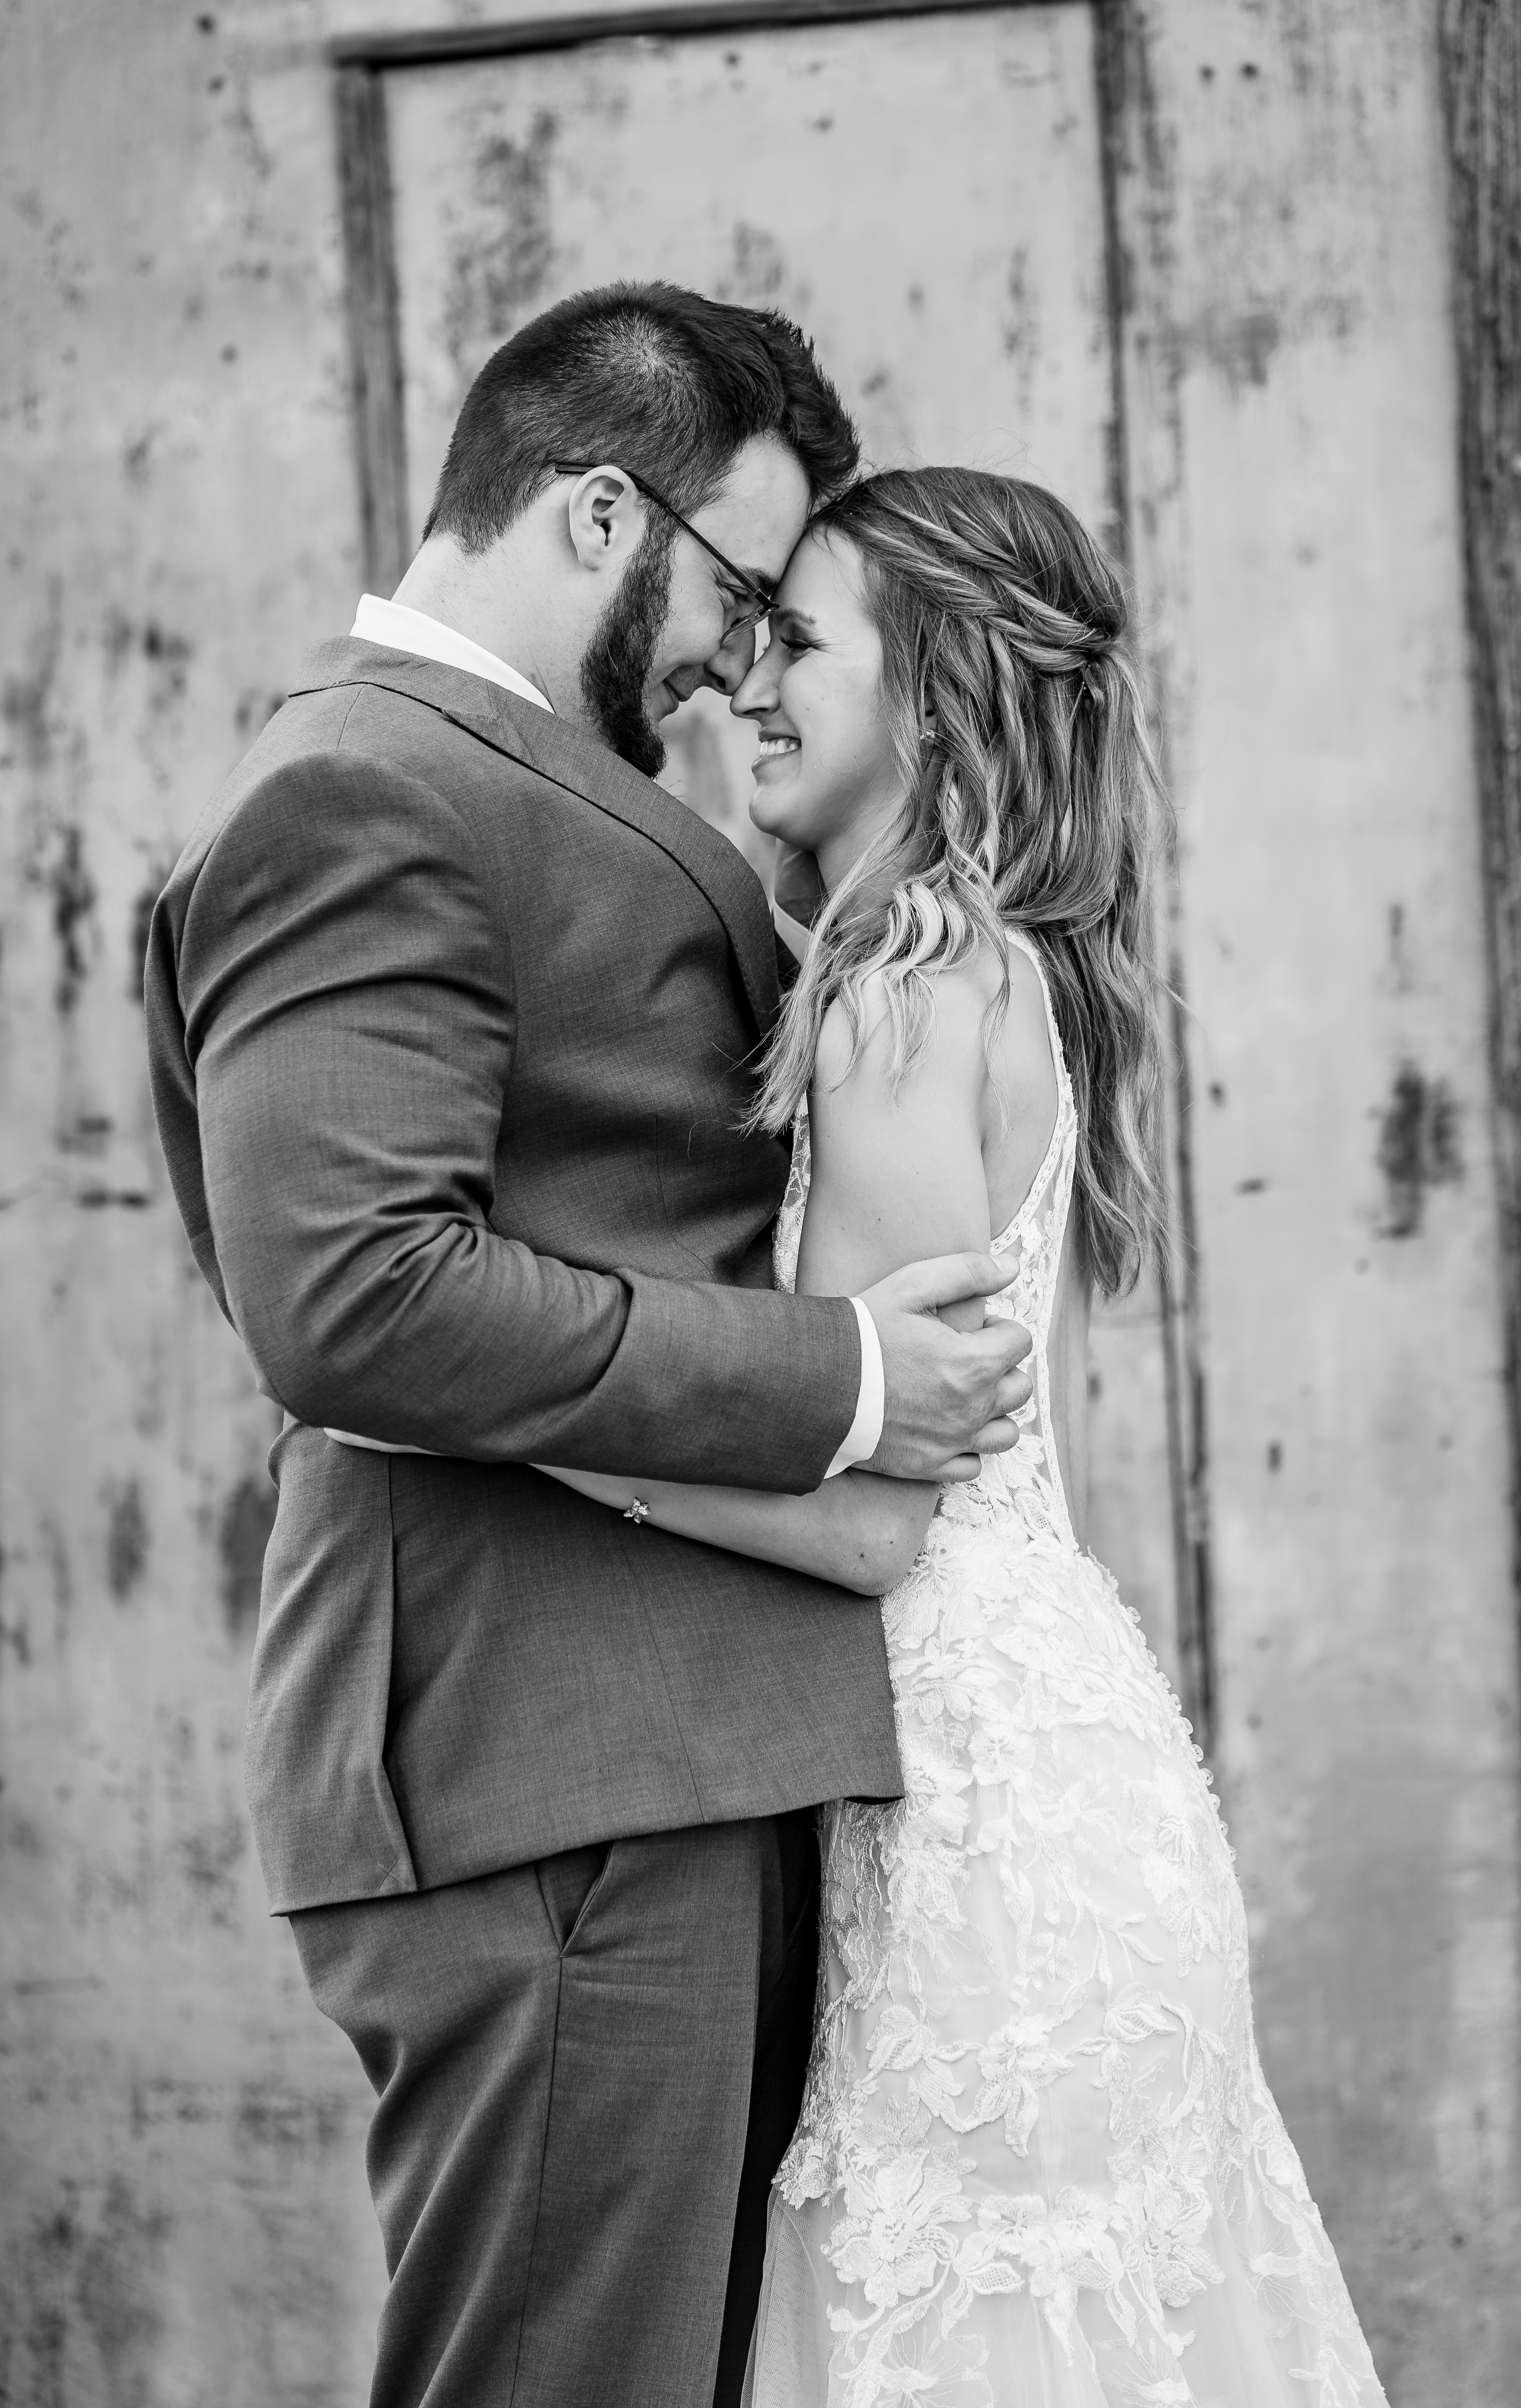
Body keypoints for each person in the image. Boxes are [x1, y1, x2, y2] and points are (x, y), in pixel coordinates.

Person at [143, 287, 1036, 2408]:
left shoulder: (510, 783)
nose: (744, 654)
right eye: (740, 588)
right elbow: (352, 1293)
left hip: (650, 1756)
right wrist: (836, 1378)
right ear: (600, 513)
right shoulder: (362, 791)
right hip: (546, 1776)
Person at [551, 468, 1392, 2407]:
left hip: (984, 1859)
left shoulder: (907, 997)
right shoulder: (983, 974)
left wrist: (556, 1438)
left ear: (927, 697)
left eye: (801, 642)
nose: (746, 684)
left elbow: (875, 1523)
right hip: (1038, 1786)